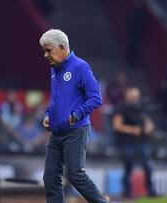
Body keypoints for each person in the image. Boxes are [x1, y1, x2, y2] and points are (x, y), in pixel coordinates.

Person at [39, 29, 109, 203]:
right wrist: (48, 114)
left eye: (49, 50)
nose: (46, 55)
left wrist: (76, 115)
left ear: (62, 47)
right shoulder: (54, 69)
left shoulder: (80, 67)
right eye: (44, 51)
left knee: (75, 174)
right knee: (50, 178)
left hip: (75, 130)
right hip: (56, 133)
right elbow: (56, 100)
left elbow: (96, 98)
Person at [113, 87, 156, 198]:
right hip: (127, 142)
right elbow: (117, 125)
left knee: (148, 166)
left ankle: (151, 191)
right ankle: (127, 192)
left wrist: (148, 128)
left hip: (142, 141)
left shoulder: (141, 107)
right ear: (127, 96)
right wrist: (132, 130)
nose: (134, 98)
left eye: (136, 96)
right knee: (129, 166)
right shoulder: (122, 108)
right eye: (132, 96)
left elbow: (149, 122)